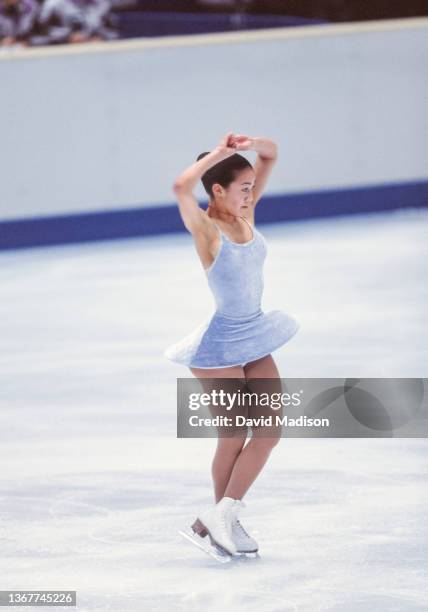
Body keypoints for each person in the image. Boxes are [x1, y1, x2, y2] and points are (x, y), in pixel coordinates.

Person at [165, 132, 299, 557]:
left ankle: (220, 517)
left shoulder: (246, 212)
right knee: (234, 433)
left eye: (251, 187)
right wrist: (219, 156)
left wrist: (250, 142)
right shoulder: (207, 229)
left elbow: (271, 152)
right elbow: (180, 188)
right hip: (220, 346)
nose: (251, 193)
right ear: (218, 190)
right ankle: (223, 518)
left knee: (269, 431)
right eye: (243, 187)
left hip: (255, 333)